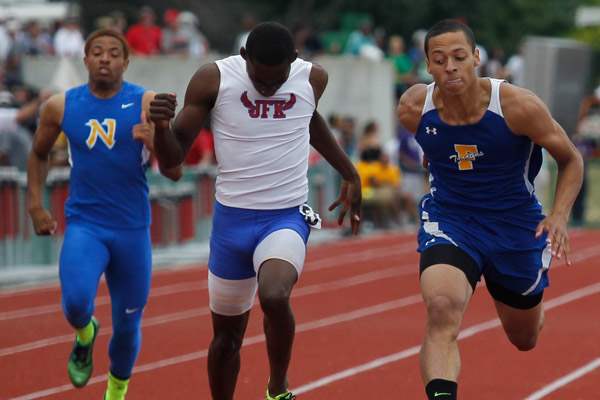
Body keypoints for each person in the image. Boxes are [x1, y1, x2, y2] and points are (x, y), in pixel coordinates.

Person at [150, 21, 361, 400]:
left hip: (285, 215)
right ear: (243, 57)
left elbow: (308, 119)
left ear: (294, 61)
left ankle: (277, 386)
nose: (266, 88)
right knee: (226, 339)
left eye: (276, 81)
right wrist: (161, 127)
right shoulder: (213, 80)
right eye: (259, 79)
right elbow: (172, 161)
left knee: (275, 295)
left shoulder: (313, 78)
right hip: (232, 222)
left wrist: (349, 171)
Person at [397, 19, 583, 400]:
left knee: (524, 337)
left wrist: (559, 214)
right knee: (442, 307)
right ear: (428, 66)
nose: (450, 67)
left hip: (515, 227)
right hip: (452, 219)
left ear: (476, 58)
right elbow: (432, 154)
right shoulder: (414, 107)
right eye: (439, 59)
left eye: (459, 57)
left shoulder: (518, 106)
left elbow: (571, 159)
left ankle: (527, 297)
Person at [26, 29, 180, 400]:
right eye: (97, 52)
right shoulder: (61, 106)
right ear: (86, 60)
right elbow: (38, 153)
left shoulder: (147, 102)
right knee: (77, 302)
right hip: (86, 225)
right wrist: (35, 204)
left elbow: (174, 171)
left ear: (126, 62)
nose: (105, 58)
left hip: (131, 229)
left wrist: (155, 140)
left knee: (128, 324)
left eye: (114, 53)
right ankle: (85, 332)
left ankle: (116, 391)